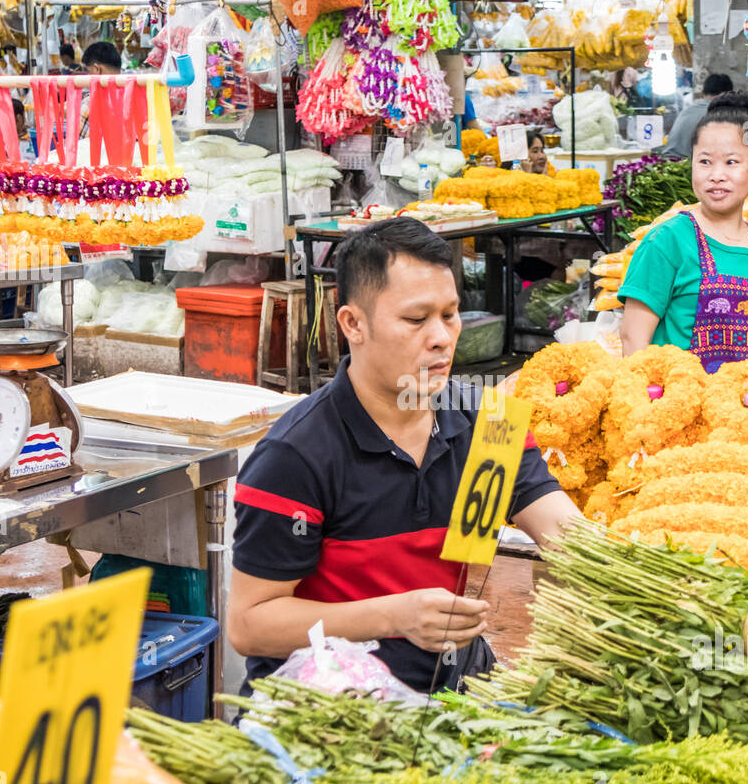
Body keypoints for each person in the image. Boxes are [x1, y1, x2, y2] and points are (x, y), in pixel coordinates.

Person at [228, 219, 581, 696]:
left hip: (448, 688)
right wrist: (394, 617)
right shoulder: (295, 456)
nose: (441, 337)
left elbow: (570, 538)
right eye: (416, 320)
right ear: (353, 324)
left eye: (452, 314)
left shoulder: (486, 422)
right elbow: (249, 626)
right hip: (327, 709)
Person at [617, 91, 748, 373]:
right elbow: (633, 342)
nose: (716, 175)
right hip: (682, 409)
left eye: (732, 162)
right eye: (705, 161)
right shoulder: (667, 242)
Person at [663, 72, 732, 161]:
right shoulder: (720, 115)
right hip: (687, 167)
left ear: (702, 94)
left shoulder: (687, 111)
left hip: (666, 163)